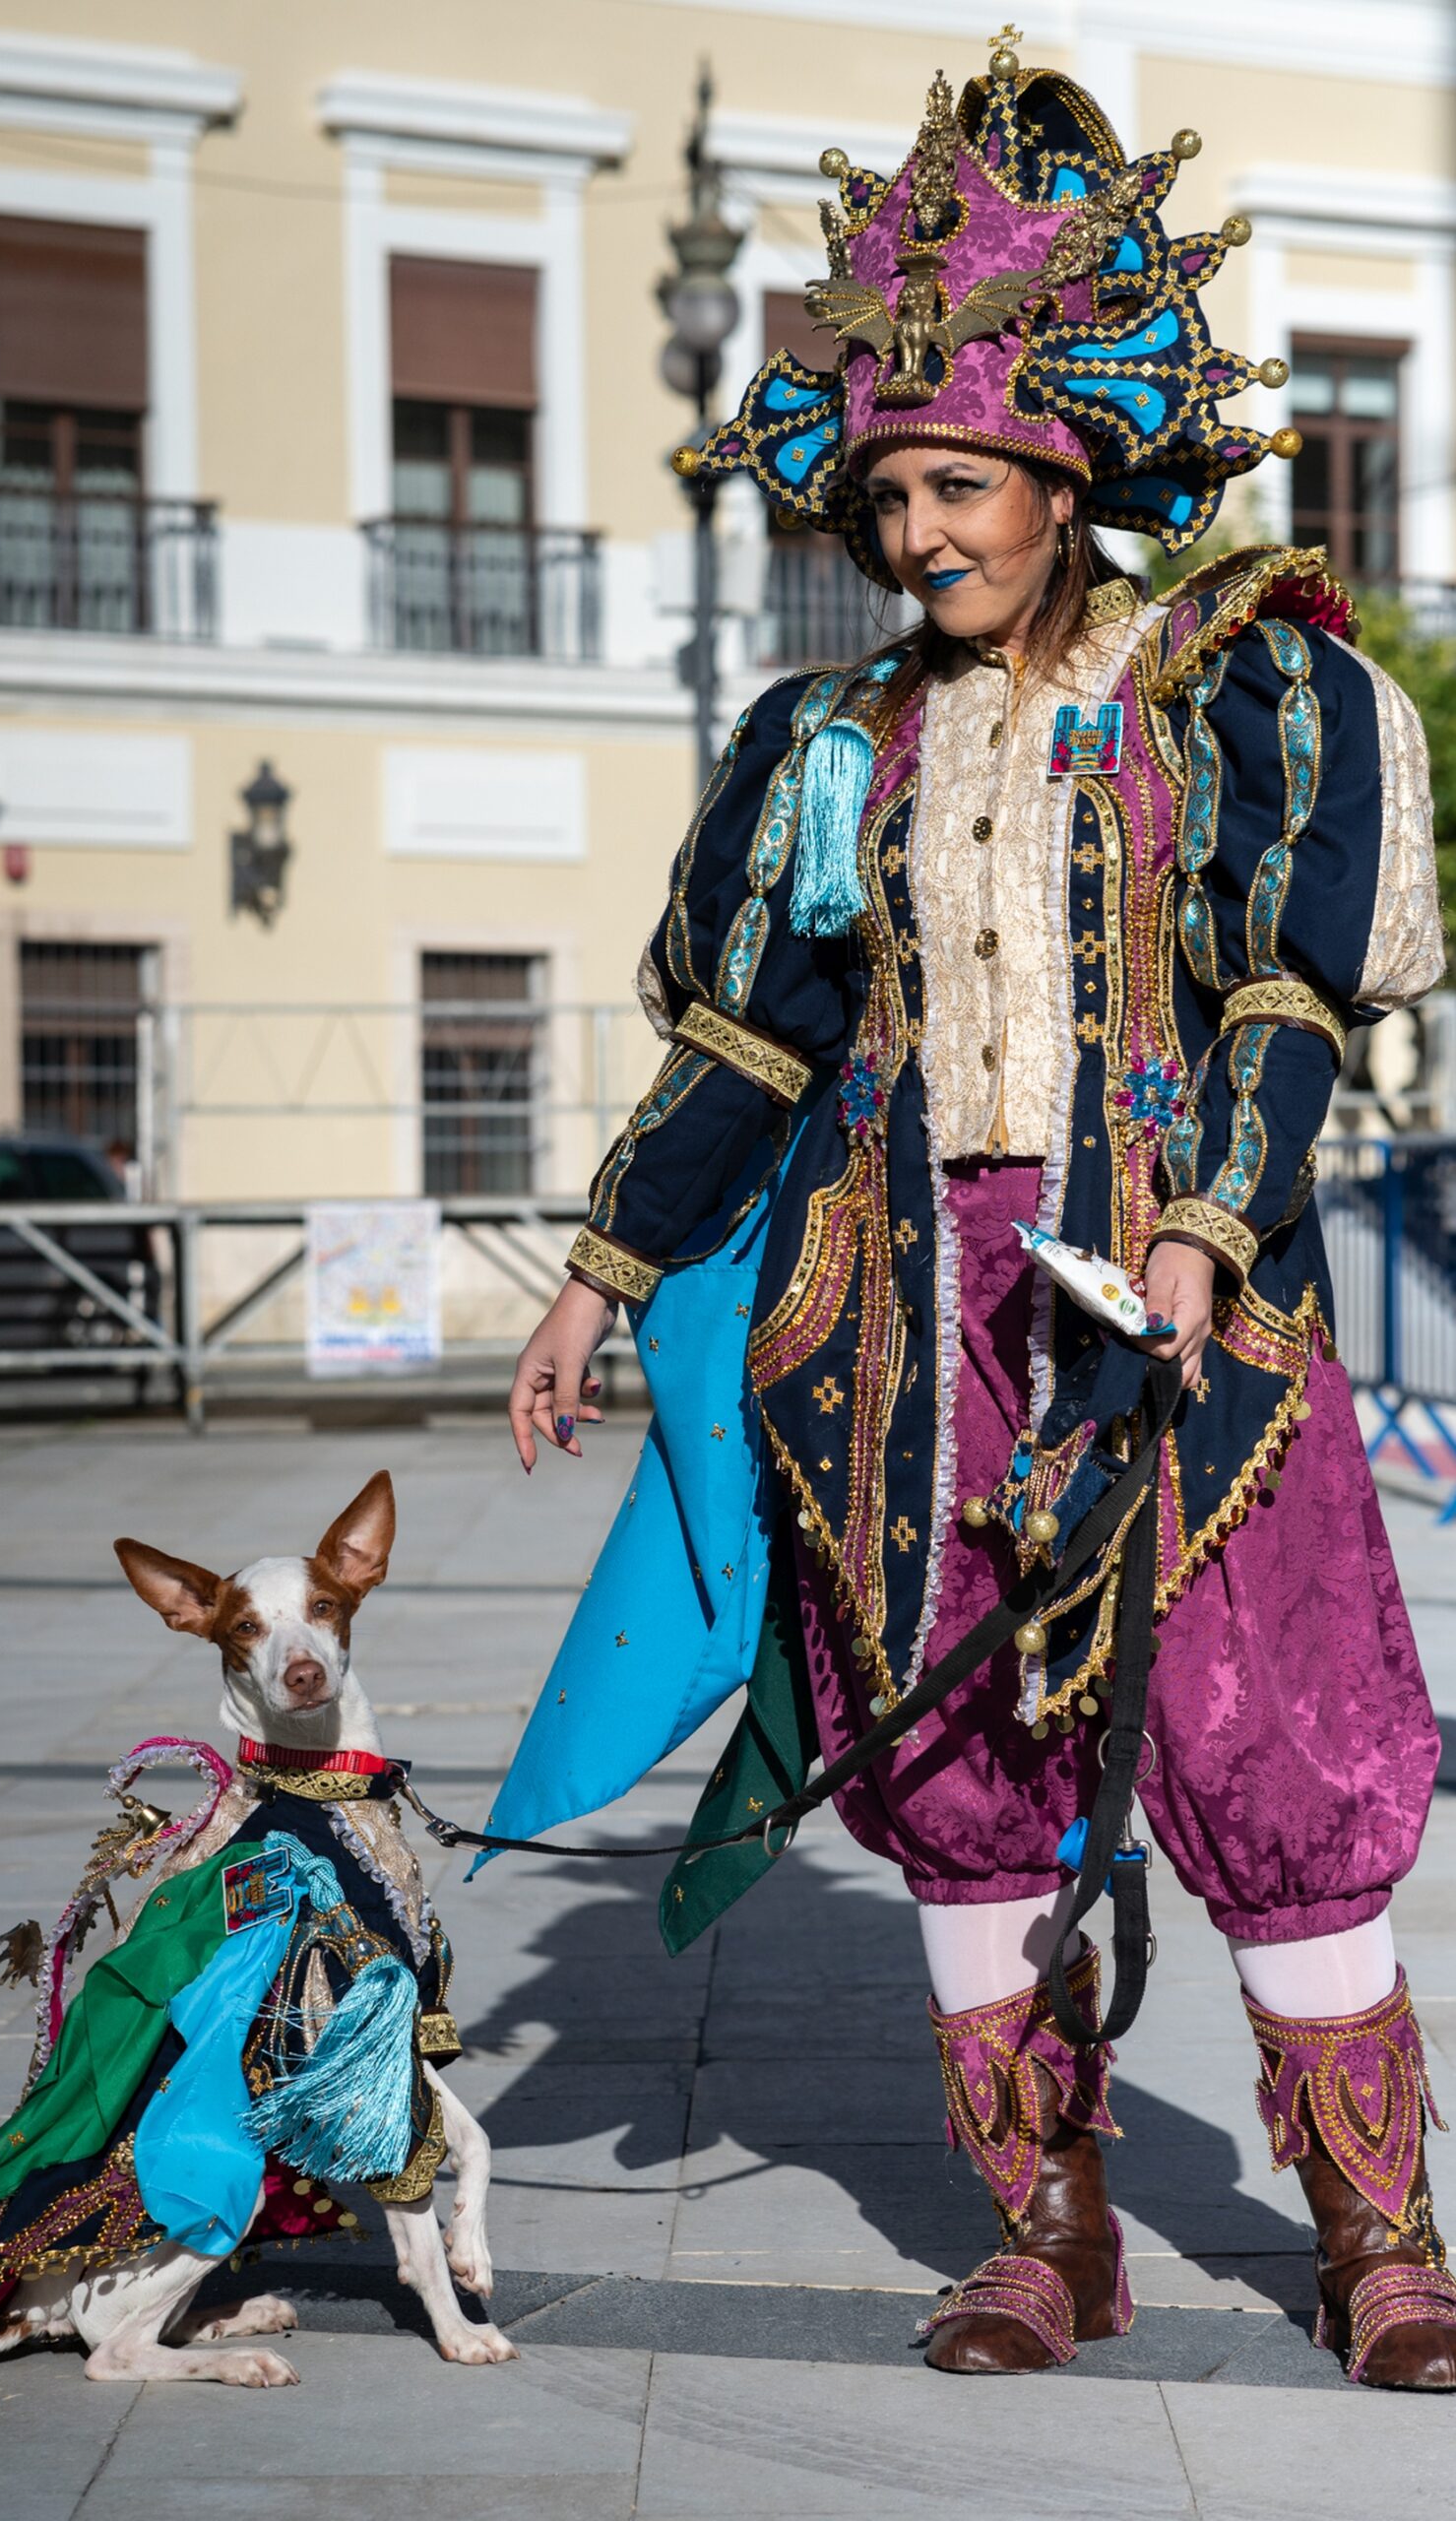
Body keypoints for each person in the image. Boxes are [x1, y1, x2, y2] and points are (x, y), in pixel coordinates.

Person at [503, 35, 1452, 2387]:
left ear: (1063, 477)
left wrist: (1211, 1230)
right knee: (958, 1762)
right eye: (892, 497)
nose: (919, 535)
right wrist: (603, 1272)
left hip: (1182, 1297)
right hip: (906, 1321)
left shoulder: (1239, 689)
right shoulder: (833, 749)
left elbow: (1282, 995)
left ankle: (1381, 2235)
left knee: (1264, 1731)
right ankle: (1049, 2230)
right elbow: (754, 1041)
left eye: (957, 488)